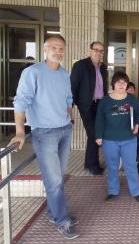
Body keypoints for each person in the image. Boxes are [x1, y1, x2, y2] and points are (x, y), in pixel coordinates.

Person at [9, 35, 80, 239]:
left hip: (64, 129)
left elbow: (68, 97)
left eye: (61, 48)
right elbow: (21, 101)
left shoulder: (64, 74)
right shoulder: (32, 73)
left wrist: (69, 115)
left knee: (59, 175)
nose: (58, 51)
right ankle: (62, 220)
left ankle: (53, 211)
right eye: (54, 47)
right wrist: (20, 131)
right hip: (44, 133)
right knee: (55, 179)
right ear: (45, 49)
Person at [95, 72, 139, 202]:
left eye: (124, 82)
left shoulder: (131, 99)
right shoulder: (105, 101)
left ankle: (136, 191)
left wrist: (137, 124)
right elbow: (99, 119)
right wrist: (98, 135)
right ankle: (112, 190)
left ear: (127, 84)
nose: (121, 85)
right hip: (109, 139)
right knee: (112, 166)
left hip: (129, 139)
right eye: (118, 82)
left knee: (131, 165)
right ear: (113, 84)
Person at [70, 42, 108, 175]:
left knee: (97, 133)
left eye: (101, 51)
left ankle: (89, 163)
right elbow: (72, 87)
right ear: (90, 50)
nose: (98, 53)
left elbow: (104, 88)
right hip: (86, 105)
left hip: (100, 104)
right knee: (93, 134)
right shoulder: (81, 65)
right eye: (96, 50)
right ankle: (92, 165)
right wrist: (70, 108)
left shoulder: (103, 67)